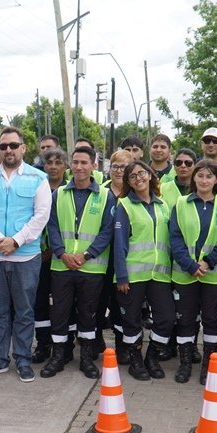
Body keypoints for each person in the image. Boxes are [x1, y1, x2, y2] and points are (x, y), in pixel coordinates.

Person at [0, 127, 51, 382]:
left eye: (13, 145)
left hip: (25, 257)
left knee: (25, 311)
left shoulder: (38, 178)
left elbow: (41, 216)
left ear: (23, 148)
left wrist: (16, 241)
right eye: (4, 146)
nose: (8, 150)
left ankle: (23, 359)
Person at [42, 146, 115, 379]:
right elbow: (51, 226)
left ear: (94, 165)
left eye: (84, 162)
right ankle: (58, 356)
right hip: (61, 266)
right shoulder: (59, 194)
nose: (79, 167)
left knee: (88, 314)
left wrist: (86, 255)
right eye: (75, 162)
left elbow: (107, 231)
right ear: (70, 165)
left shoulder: (105, 195)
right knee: (60, 314)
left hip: (91, 267)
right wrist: (62, 253)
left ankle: (86, 358)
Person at [169, 160, 217, 384]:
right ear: (194, 178)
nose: (204, 180)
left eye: (209, 176)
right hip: (185, 274)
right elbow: (175, 238)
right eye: (200, 176)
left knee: (212, 320)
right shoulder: (180, 203)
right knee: (185, 320)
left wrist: (207, 262)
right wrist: (190, 264)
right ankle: (186, 363)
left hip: (213, 275)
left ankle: (209, 364)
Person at [114, 161, 175, 381]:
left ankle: (152, 356)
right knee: (131, 320)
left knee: (167, 318)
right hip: (132, 275)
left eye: (142, 173)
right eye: (132, 176)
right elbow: (119, 243)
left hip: (160, 274)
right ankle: (135, 359)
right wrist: (121, 275)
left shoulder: (163, 205)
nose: (138, 178)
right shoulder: (125, 205)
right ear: (128, 182)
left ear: (150, 175)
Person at [33, 148, 70, 363]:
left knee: (63, 304)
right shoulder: (37, 188)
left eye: (59, 162)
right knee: (39, 302)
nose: (54, 166)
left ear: (65, 166)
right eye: (50, 163)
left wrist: (55, 249)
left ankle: (65, 346)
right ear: (44, 166)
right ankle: (43, 344)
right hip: (37, 256)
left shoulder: (70, 190)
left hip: (63, 257)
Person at [95, 150, 132, 364]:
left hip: (126, 261)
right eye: (116, 166)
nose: (119, 171)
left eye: (124, 167)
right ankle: (96, 341)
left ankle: (122, 346)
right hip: (101, 259)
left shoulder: (135, 192)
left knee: (121, 307)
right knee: (97, 304)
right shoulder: (100, 192)